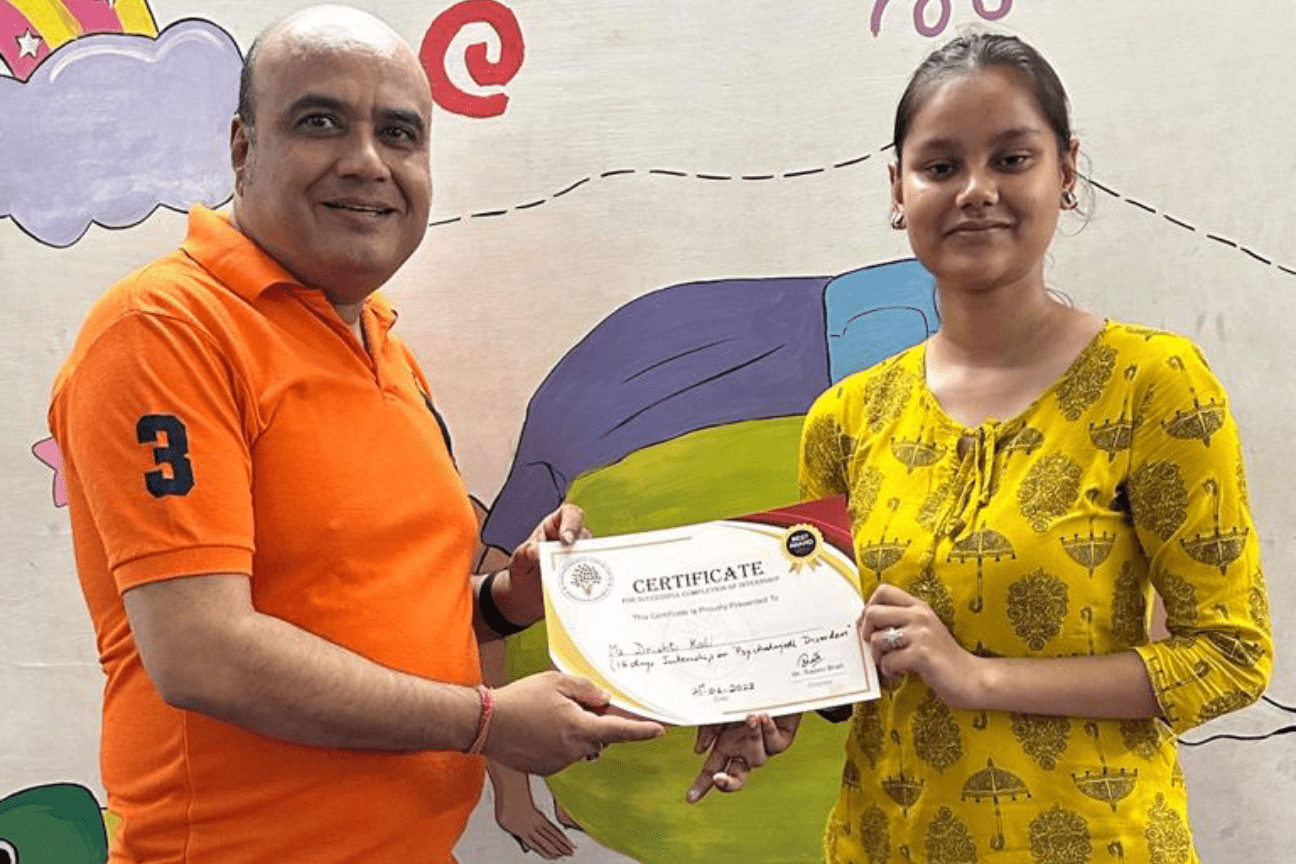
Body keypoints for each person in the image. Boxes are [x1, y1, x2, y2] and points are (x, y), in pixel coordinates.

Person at [46, 6, 662, 863]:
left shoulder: (385, 348)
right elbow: (201, 652)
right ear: (242, 147)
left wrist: (505, 601)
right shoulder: (166, 328)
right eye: (320, 121)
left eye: (399, 133)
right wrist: (486, 722)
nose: (368, 161)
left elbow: (369, 612)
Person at [688, 32, 1272, 863]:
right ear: (898, 188)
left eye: (1010, 159)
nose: (974, 191)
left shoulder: (1155, 384)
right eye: (940, 166)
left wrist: (978, 676)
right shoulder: (846, 419)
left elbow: (1228, 657)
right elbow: (848, 657)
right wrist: (773, 708)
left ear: (1066, 171)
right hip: (885, 839)